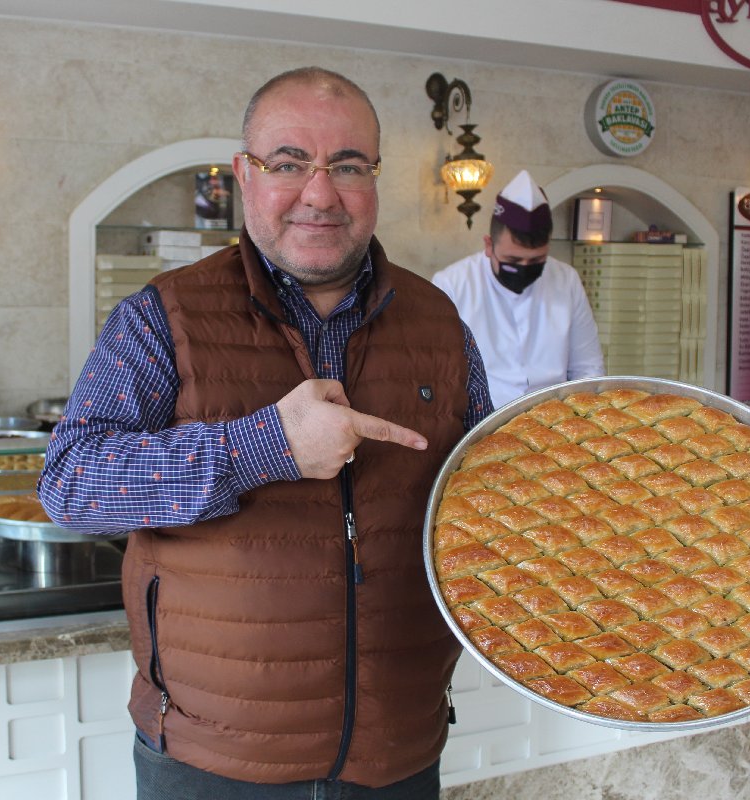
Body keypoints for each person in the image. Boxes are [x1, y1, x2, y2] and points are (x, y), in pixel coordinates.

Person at [39, 66, 491, 799]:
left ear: (375, 178)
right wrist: (264, 448)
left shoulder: (441, 323)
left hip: (397, 751)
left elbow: (482, 502)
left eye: (348, 165)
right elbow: (71, 485)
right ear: (246, 175)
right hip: (211, 758)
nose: (320, 193)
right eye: (290, 163)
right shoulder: (163, 318)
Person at [432, 169, 605, 409]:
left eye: (536, 262)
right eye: (513, 262)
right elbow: (439, 374)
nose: (525, 269)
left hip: (556, 419)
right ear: (489, 245)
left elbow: (588, 369)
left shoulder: (566, 280)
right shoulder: (452, 284)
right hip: (480, 421)